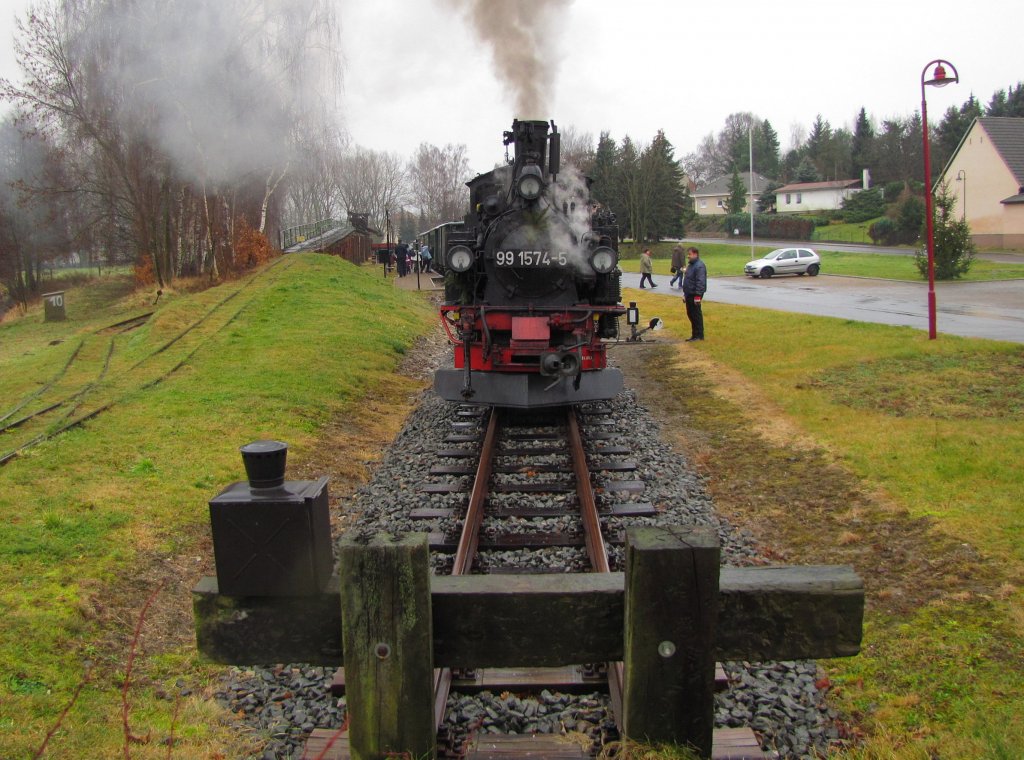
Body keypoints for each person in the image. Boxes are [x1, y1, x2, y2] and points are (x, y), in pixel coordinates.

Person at [681, 246, 707, 341]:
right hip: (689, 293)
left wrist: (698, 296)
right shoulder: (691, 265)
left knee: (696, 315)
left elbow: (700, 281)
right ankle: (694, 334)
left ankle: (699, 335)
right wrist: (685, 294)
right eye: (688, 254)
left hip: (695, 294)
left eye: (690, 254)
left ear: (695, 254)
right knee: (690, 314)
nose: (688, 256)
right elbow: (688, 280)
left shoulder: (699, 266)